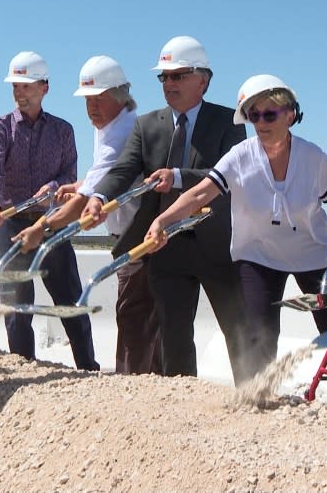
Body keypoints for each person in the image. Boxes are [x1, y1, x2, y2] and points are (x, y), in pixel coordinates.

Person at [145, 74, 327, 404]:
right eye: (254, 115)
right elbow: (198, 195)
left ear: (289, 114)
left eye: (270, 114)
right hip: (260, 254)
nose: (261, 123)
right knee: (258, 333)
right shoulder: (240, 156)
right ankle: (259, 402)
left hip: (315, 254)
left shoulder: (312, 156)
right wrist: (162, 220)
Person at [81, 36, 251, 384]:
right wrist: (98, 197)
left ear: (203, 79)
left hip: (217, 246)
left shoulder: (229, 123)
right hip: (166, 251)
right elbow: (123, 170)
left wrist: (177, 177)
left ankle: (252, 400)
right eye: (164, 77)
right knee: (173, 341)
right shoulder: (147, 125)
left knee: (238, 333)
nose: (169, 84)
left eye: (178, 75)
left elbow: (230, 175)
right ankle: (182, 411)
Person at [12, 55, 160, 375]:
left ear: (120, 97)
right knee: (146, 321)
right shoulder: (112, 123)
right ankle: (158, 386)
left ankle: (131, 391)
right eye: (87, 101)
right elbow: (103, 176)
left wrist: (41, 226)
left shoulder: (120, 134)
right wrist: (81, 184)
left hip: (140, 239)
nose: (91, 108)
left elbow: (83, 204)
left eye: (98, 99)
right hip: (134, 234)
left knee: (134, 319)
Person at [0, 51, 99, 371]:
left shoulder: (63, 131)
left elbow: (69, 174)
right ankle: (24, 370)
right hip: (10, 225)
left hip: (51, 224)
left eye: (26, 85)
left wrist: (54, 186)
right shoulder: (0, 128)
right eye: (15, 86)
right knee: (16, 307)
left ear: (44, 88)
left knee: (70, 301)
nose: (20, 92)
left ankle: (88, 368)